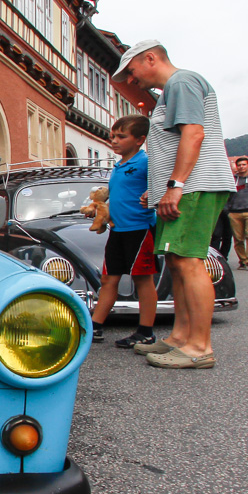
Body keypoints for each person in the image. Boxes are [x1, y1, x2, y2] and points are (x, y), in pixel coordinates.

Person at [113, 40, 234, 369]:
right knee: (177, 261)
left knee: (188, 261)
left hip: (194, 186)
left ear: (151, 58)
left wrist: (175, 186)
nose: (131, 79)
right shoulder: (172, 90)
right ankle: (181, 337)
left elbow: (194, 134)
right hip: (184, 187)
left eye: (131, 71)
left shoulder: (182, 82)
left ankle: (200, 347)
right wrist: (156, 189)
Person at [88, 115, 159, 349]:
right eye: (112, 136)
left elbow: (161, 186)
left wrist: (152, 194)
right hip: (117, 230)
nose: (114, 141)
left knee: (142, 279)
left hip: (140, 229)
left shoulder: (146, 162)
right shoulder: (118, 165)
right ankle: (95, 326)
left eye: (121, 136)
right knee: (108, 278)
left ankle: (146, 332)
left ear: (139, 140)